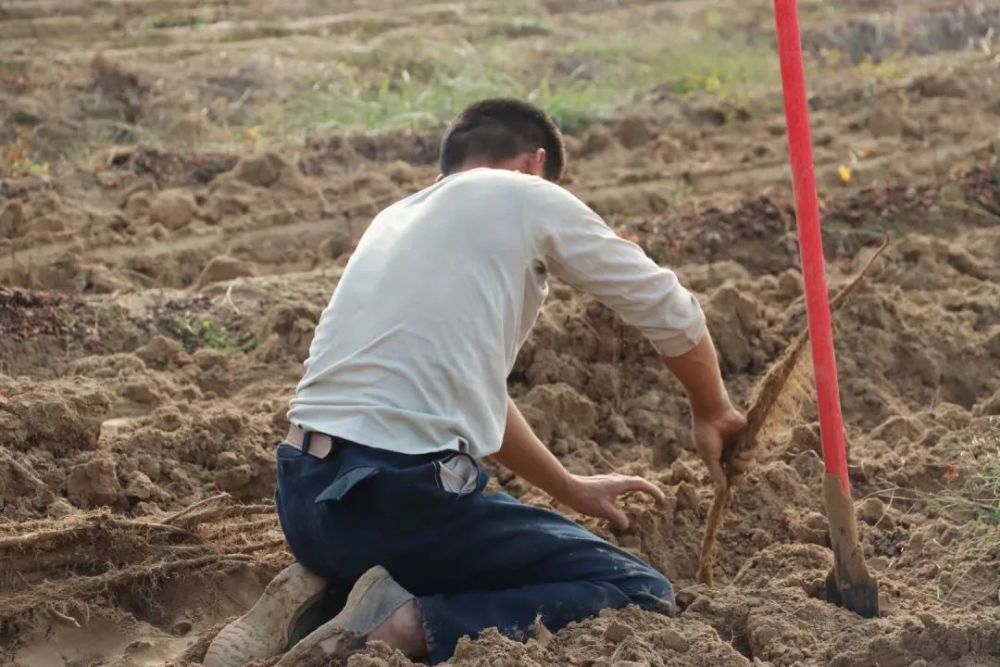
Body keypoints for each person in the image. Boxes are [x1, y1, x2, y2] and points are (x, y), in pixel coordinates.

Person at [204, 98, 747, 667]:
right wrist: (712, 409)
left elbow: (476, 396)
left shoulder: (393, 218)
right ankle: (403, 628)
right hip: (395, 504)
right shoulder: (525, 195)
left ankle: (322, 594)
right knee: (640, 589)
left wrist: (570, 488)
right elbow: (669, 307)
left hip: (304, 502)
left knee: (432, 539)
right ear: (535, 166)